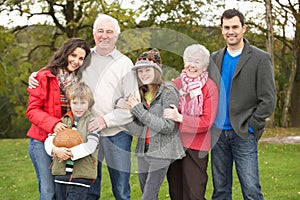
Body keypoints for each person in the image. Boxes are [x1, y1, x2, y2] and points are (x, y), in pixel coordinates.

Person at [29, 14, 139, 200]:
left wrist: (105, 120)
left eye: (109, 32)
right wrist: (36, 75)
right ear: (94, 34)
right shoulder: (86, 58)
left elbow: (132, 105)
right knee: (87, 188)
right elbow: (61, 69)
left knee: (121, 188)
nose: (104, 36)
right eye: (100, 31)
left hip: (116, 133)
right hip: (84, 132)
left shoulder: (124, 63)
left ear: (117, 36)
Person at [208, 8, 277, 200]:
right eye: (226, 27)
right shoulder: (214, 58)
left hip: (244, 133)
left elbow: (269, 99)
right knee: (220, 191)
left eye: (235, 27)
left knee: (251, 190)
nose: (231, 31)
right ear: (222, 30)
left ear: (244, 28)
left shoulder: (260, 58)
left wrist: (252, 126)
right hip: (218, 134)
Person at [26, 38, 91, 200]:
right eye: (73, 55)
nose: (76, 61)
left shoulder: (80, 82)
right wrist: (53, 124)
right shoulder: (44, 76)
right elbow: (32, 110)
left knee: (63, 190)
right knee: (48, 191)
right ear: (65, 53)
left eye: (81, 58)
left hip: (66, 142)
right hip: (41, 141)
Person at [116, 48, 185, 200]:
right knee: (147, 194)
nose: (144, 74)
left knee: (147, 196)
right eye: (140, 71)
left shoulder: (168, 91)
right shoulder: (140, 94)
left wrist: (138, 110)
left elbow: (168, 127)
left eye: (148, 70)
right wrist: (125, 110)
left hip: (162, 151)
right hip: (143, 150)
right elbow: (138, 130)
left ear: (157, 70)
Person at [163, 44, 219, 200]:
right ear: (183, 62)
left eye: (197, 61)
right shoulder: (176, 84)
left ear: (205, 65)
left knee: (194, 193)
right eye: (189, 60)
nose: (192, 65)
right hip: (174, 145)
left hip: (197, 147)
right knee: (176, 191)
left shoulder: (210, 88)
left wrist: (179, 118)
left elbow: (207, 122)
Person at [44, 82, 99, 200]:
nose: (78, 107)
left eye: (83, 103)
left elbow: (91, 146)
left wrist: (69, 154)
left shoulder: (92, 122)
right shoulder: (63, 121)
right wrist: (55, 150)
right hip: (61, 175)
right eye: (75, 103)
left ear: (89, 103)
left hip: (81, 177)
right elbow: (49, 140)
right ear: (70, 103)